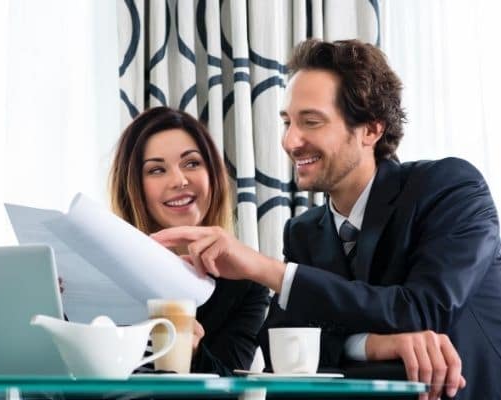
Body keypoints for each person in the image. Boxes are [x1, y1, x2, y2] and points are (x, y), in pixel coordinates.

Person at [151, 39, 501, 399]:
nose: (290, 140)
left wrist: (264, 269)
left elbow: (423, 309)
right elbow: (282, 351)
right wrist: (373, 345)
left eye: (311, 122)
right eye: (287, 122)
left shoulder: (449, 188)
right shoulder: (303, 231)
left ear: (371, 128)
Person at [108, 106, 270, 376]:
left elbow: (229, 383)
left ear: (213, 175)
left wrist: (192, 352)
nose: (179, 180)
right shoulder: (104, 269)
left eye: (192, 163)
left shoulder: (246, 284)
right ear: (133, 186)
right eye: (157, 170)